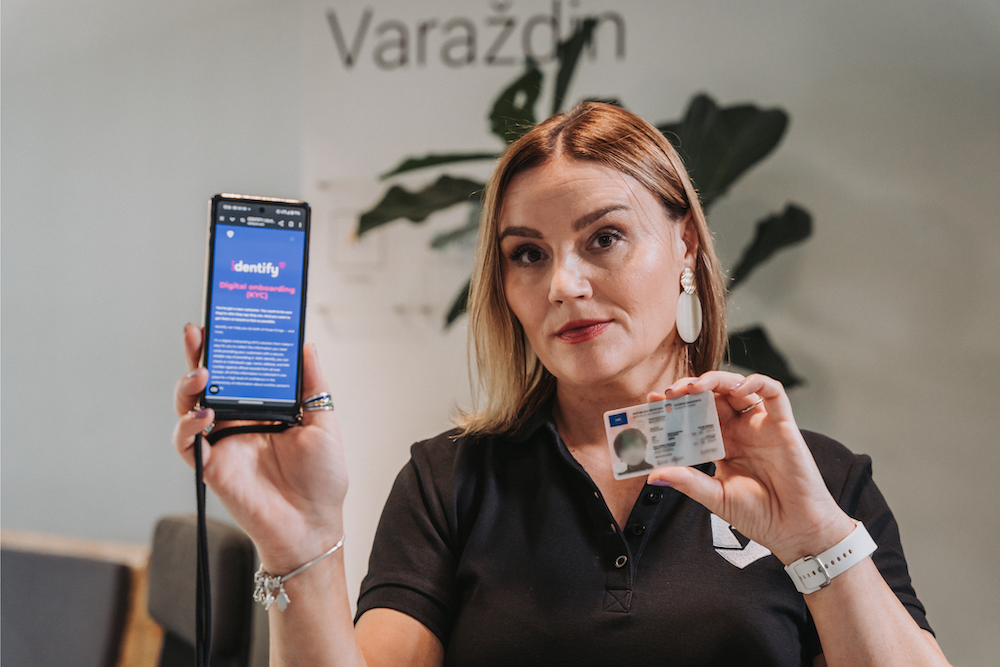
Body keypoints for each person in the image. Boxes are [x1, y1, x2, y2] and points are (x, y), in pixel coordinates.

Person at [173, 103, 950, 666]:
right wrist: (299, 546)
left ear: (686, 246)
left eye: (604, 238)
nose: (563, 285)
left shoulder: (824, 480)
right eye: (528, 254)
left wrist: (816, 540)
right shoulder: (452, 482)